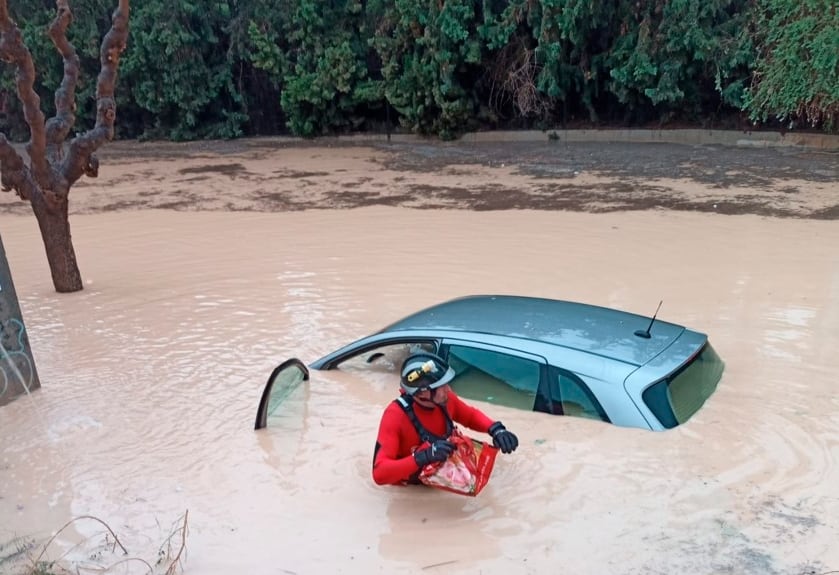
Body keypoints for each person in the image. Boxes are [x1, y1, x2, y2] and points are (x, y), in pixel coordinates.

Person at [372, 351, 519, 486]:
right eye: (441, 386)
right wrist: (424, 456)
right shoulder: (395, 416)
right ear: (422, 394)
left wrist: (496, 429)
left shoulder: (445, 400)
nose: (448, 389)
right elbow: (379, 474)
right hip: (411, 490)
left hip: (441, 477)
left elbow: (469, 416)